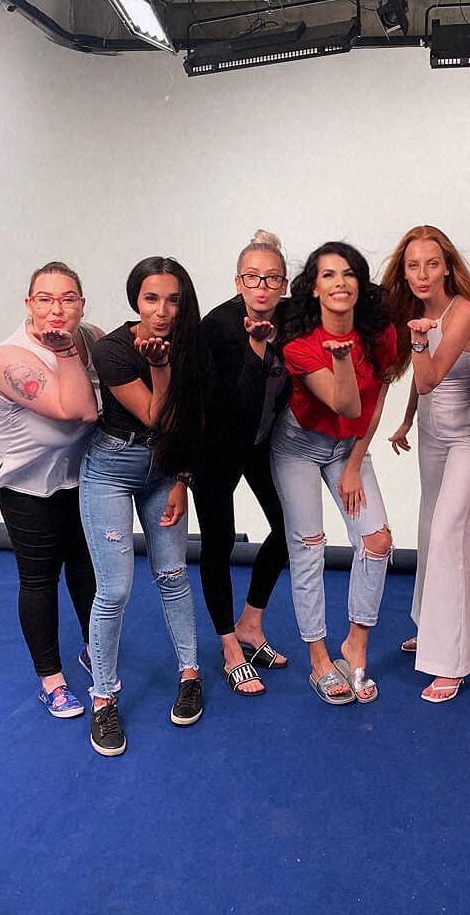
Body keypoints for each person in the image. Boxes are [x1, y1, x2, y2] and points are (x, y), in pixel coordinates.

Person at [80, 257, 204, 756]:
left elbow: (193, 420)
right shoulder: (112, 349)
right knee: (114, 590)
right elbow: (158, 415)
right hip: (111, 468)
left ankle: (190, 674)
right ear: (136, 300)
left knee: (173, 576)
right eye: (152, 298)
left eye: (173, 300)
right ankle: (103, 698)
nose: (162, 311)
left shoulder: (190, 343)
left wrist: (183, 480)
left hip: (165, 470)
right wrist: (158, 366)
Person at [271, 242, 395, 705]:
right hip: (299, 447)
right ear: (314, 288)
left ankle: (355, 644)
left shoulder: (379, 335)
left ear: (359, 284)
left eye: (348, 273)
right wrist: (341, 359)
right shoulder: (300, 346)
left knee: (377, 541)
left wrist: (356, 464)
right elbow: (345, 403)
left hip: (348, 448)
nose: (340, 282)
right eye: (328, 275)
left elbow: (375, 401)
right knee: (309, 547)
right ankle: (319, 658)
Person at [0, 261, 102, 719]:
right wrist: (66, 353)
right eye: (45, 299)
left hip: (77, 474)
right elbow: (79, 411)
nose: (57, 309)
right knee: (39, 578)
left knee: (86, 568)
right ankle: (51, 680)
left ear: (81, 304)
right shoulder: (9, 358)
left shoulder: (92, 337)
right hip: (25, 482)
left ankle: (93, 648)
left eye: (67, 299)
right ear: (29, 304)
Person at [384, 225, 470, 702]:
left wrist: (416, 341)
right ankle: (429, 628)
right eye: (413, 265)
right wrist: (407, 420)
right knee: (430, 526)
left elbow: (429, 377)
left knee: (451, 531)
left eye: (432, 264)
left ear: (447, 267)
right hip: (432, 433)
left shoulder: (464, 311)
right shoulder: (419, 313)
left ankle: (450, 662)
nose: (422, 274)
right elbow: (420, 386)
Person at [195, 230, 291, 696]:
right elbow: (236, 400)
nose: (262, 287)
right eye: (252, 277)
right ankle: (230, 646)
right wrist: (256, 346)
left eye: (272, 278)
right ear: (238, 283)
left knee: (289, 527)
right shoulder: (217, 327)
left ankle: (251, 623)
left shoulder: (291, 319)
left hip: (258, 442)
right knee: (219, 541)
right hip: (213, 446)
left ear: (284, 285)